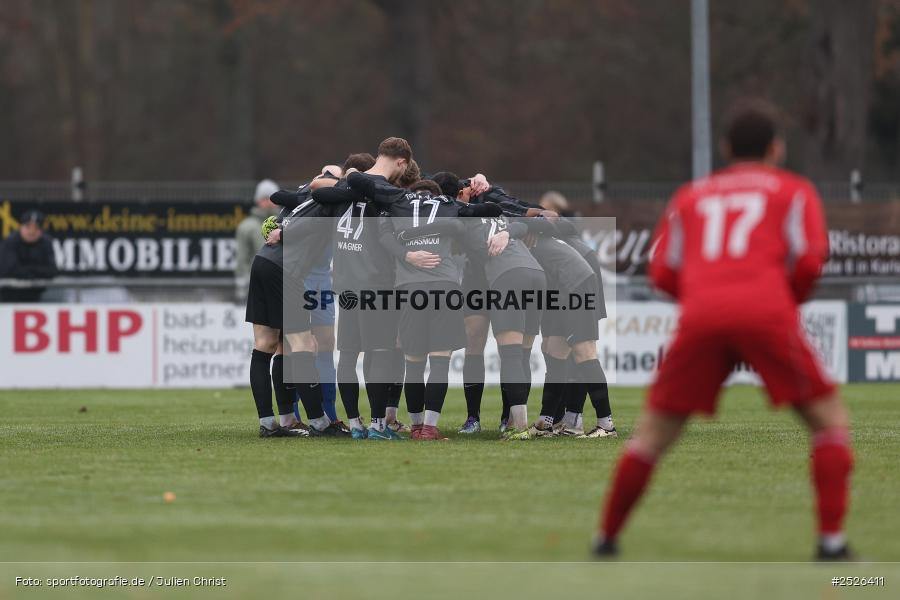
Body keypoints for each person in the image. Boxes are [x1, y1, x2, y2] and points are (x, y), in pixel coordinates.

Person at [593, 101, 853, 561]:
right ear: (777, 148)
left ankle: (607, 540)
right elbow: (811, 260)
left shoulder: (692, 196)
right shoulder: (792, 190)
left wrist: (703, 299)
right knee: (828, 423)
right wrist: (781, 299)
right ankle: (831, 544)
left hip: (703, 316)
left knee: (652, 436)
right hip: (766, 312)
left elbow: (662, 271)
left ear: (726, 148)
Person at [235, 179, 279, 302]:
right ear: (258, 200)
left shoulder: (287, 223)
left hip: (283, 286)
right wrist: (242, 283)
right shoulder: (247, 227)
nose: (269, 202)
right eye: (265, 198)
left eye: (272, 198)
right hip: (256, 286)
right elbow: (242, 257)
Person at [0, 210, 58, 302]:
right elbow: (9, 270)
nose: (31, 232)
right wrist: (36, 272)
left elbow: (52, 271)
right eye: (28, 227)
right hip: (9, 297)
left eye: (36, 228)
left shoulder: (46, 242)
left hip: (37, 297)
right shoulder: (11, 242)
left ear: (41, 230)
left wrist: (27, 271)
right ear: (21, 227)